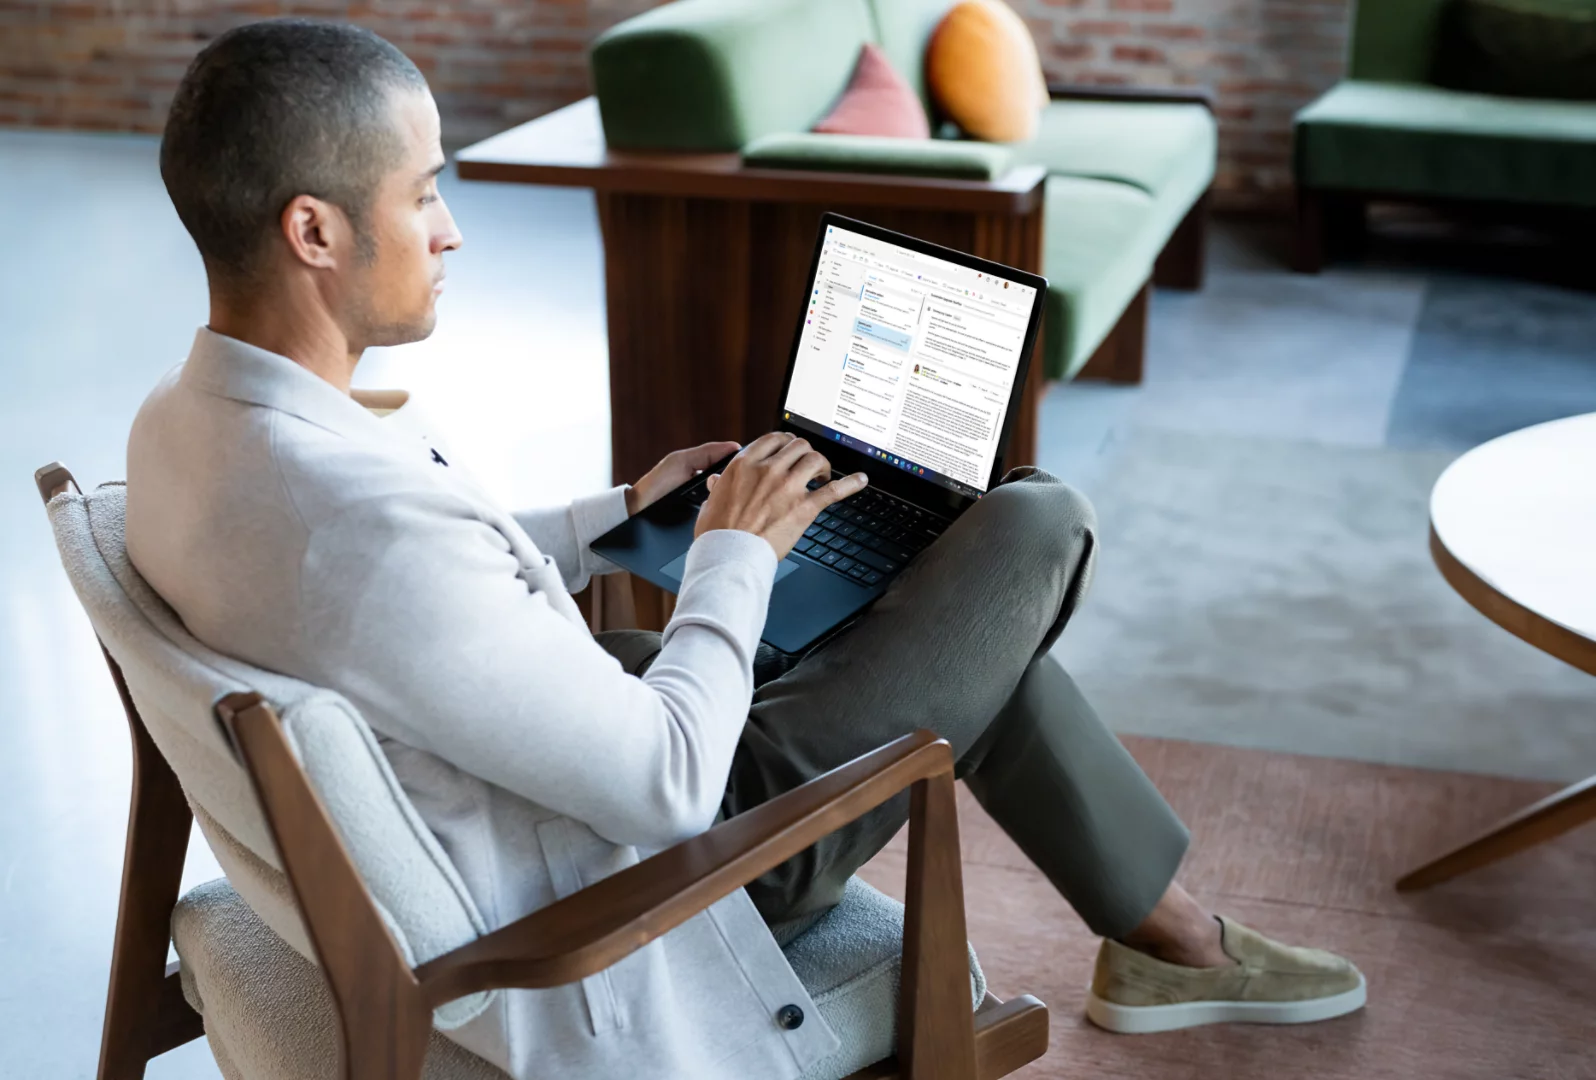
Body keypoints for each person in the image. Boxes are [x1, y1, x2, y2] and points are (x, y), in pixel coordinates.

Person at [126, 19, 1365, 1080]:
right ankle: (1175, 938)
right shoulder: (360, 529)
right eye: (423, 191)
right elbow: (664, 786)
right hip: (657, 886)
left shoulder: (190, 429)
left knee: (931, 615)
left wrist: (623, 512)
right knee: (1027, 523)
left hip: (511, 781)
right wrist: (735, 551)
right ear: (314, 233)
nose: (449, 229)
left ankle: (1167, 931)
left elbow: (430, 590)